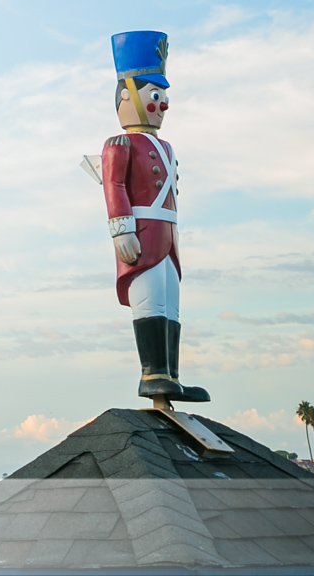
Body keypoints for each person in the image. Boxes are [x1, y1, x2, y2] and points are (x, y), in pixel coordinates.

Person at [101, 30, 208, 403]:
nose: (162, 106)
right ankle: (152, 373)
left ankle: (171, 373)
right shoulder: (120, 144)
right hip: (141, 231)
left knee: (170, 303)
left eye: (164, 97)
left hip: (166, 236)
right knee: (149, 301)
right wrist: (121, 230)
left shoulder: (166, 147)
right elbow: (114, 187)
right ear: (127, 96)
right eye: (155, 95)